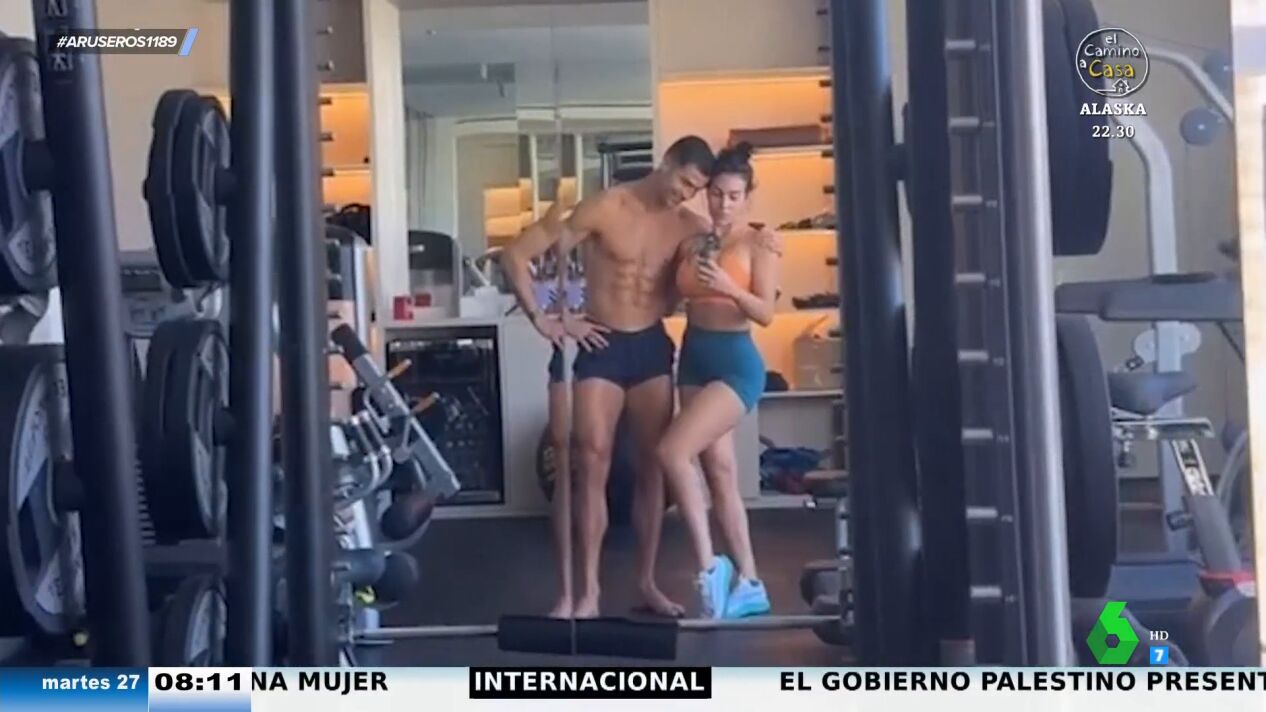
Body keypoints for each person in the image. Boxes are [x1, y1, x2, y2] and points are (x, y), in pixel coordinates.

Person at [501, 136, 716, 618]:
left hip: (651, 346)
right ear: (666, 163)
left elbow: (720, 254)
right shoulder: (604, 207)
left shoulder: (689, 225)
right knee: (589, 461)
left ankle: (646, 583)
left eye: (695, 190)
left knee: (652, 466)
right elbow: (517, 256)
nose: (685, 195)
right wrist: (546, 318)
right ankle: (586, 593)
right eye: (684, 183)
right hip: (600, 345)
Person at [656, 142, 780, 618]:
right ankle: (751, 581)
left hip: (735, 362)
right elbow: (672, 296)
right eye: (715, 194)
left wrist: (729, 287)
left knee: (672, 451)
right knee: (720, 473)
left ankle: (710, 567)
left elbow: (766, 313)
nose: (723, 204)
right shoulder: (693, 241)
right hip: (694, 357)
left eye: (733, 196)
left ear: (747, 197)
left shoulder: (758, 243)